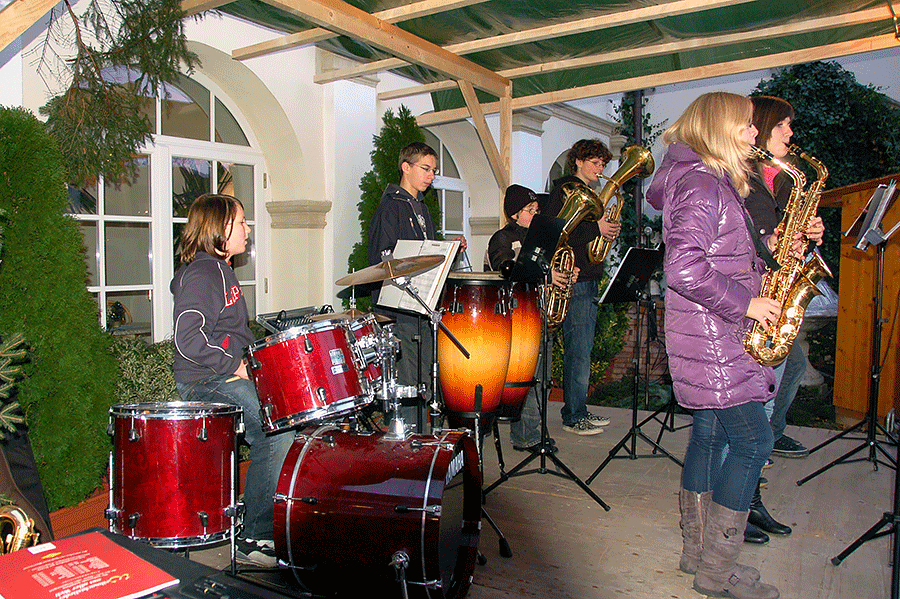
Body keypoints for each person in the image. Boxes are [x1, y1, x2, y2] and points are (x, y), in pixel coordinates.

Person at [646, 92, 783, 599]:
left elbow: (719, 255)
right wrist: (746, 306)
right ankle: (716, 572)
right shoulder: (705, 184)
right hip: (718, 337)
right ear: (721, 128)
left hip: (707, 332)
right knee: (753, 443)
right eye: (747, 126)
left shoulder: (705, 180)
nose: (754, 134)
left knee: (707, 436)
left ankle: (697, 555)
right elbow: (683, 267)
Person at [172, 193, 293, 568]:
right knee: (275, 429)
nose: (247, 228)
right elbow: (188, 337)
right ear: (220, 228)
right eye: (241, 222)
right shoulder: (203, 272)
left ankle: (265, 513)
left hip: (223, 375)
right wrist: (236, 365)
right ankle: (254, 535)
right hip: (205, 381)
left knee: (289, 410)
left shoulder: (222, 270)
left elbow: (231, 332)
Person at [735, 95, 826, 544]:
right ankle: (737, 505)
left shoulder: (787, 182)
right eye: (785, 125)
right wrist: (773, 242)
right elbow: (739, 243)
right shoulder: (741, 178)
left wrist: (809, 238)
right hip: (750, 303)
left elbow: (782, 243)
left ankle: (750, 497)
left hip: (775, 296)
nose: (791, 133)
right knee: (747, 413)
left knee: (767, 401)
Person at [367, 142, 466, 425]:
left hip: (422, 306)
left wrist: (447, 248)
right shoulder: (390, 209)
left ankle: (426, 440)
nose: (431, 176)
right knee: (409, 382)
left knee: (426, 380)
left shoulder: (420, 208)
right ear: (406, 167)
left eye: (434, 170)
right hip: (402, 311)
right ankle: (407, 444)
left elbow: (423, 255)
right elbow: (383, 259)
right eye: (425, 168)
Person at [484, 184, 575, 452]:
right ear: (514, 214)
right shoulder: (502, 238)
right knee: (526, 378)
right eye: (530, 210)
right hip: (515, 317)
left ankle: (534, 427)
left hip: (539, 313)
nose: (536, 214)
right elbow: (506, 269)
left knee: (542, 378)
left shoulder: (542, 239)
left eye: (537, 209)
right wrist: (547, 275)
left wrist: (566, 274)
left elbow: (550, 268)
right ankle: (525, 434)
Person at [546, 139, 616, 435]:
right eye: (595, 162)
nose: (600, 169)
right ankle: (574, 416)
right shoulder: (565, 191)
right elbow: (556, 230)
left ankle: (578, 409)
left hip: (587, 277)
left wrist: (606, 232)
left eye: (602, 164)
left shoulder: (591, 194)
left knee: (581, 351)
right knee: (578, 352)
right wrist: (596, 228)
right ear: (578, 161)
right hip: (574, 280)